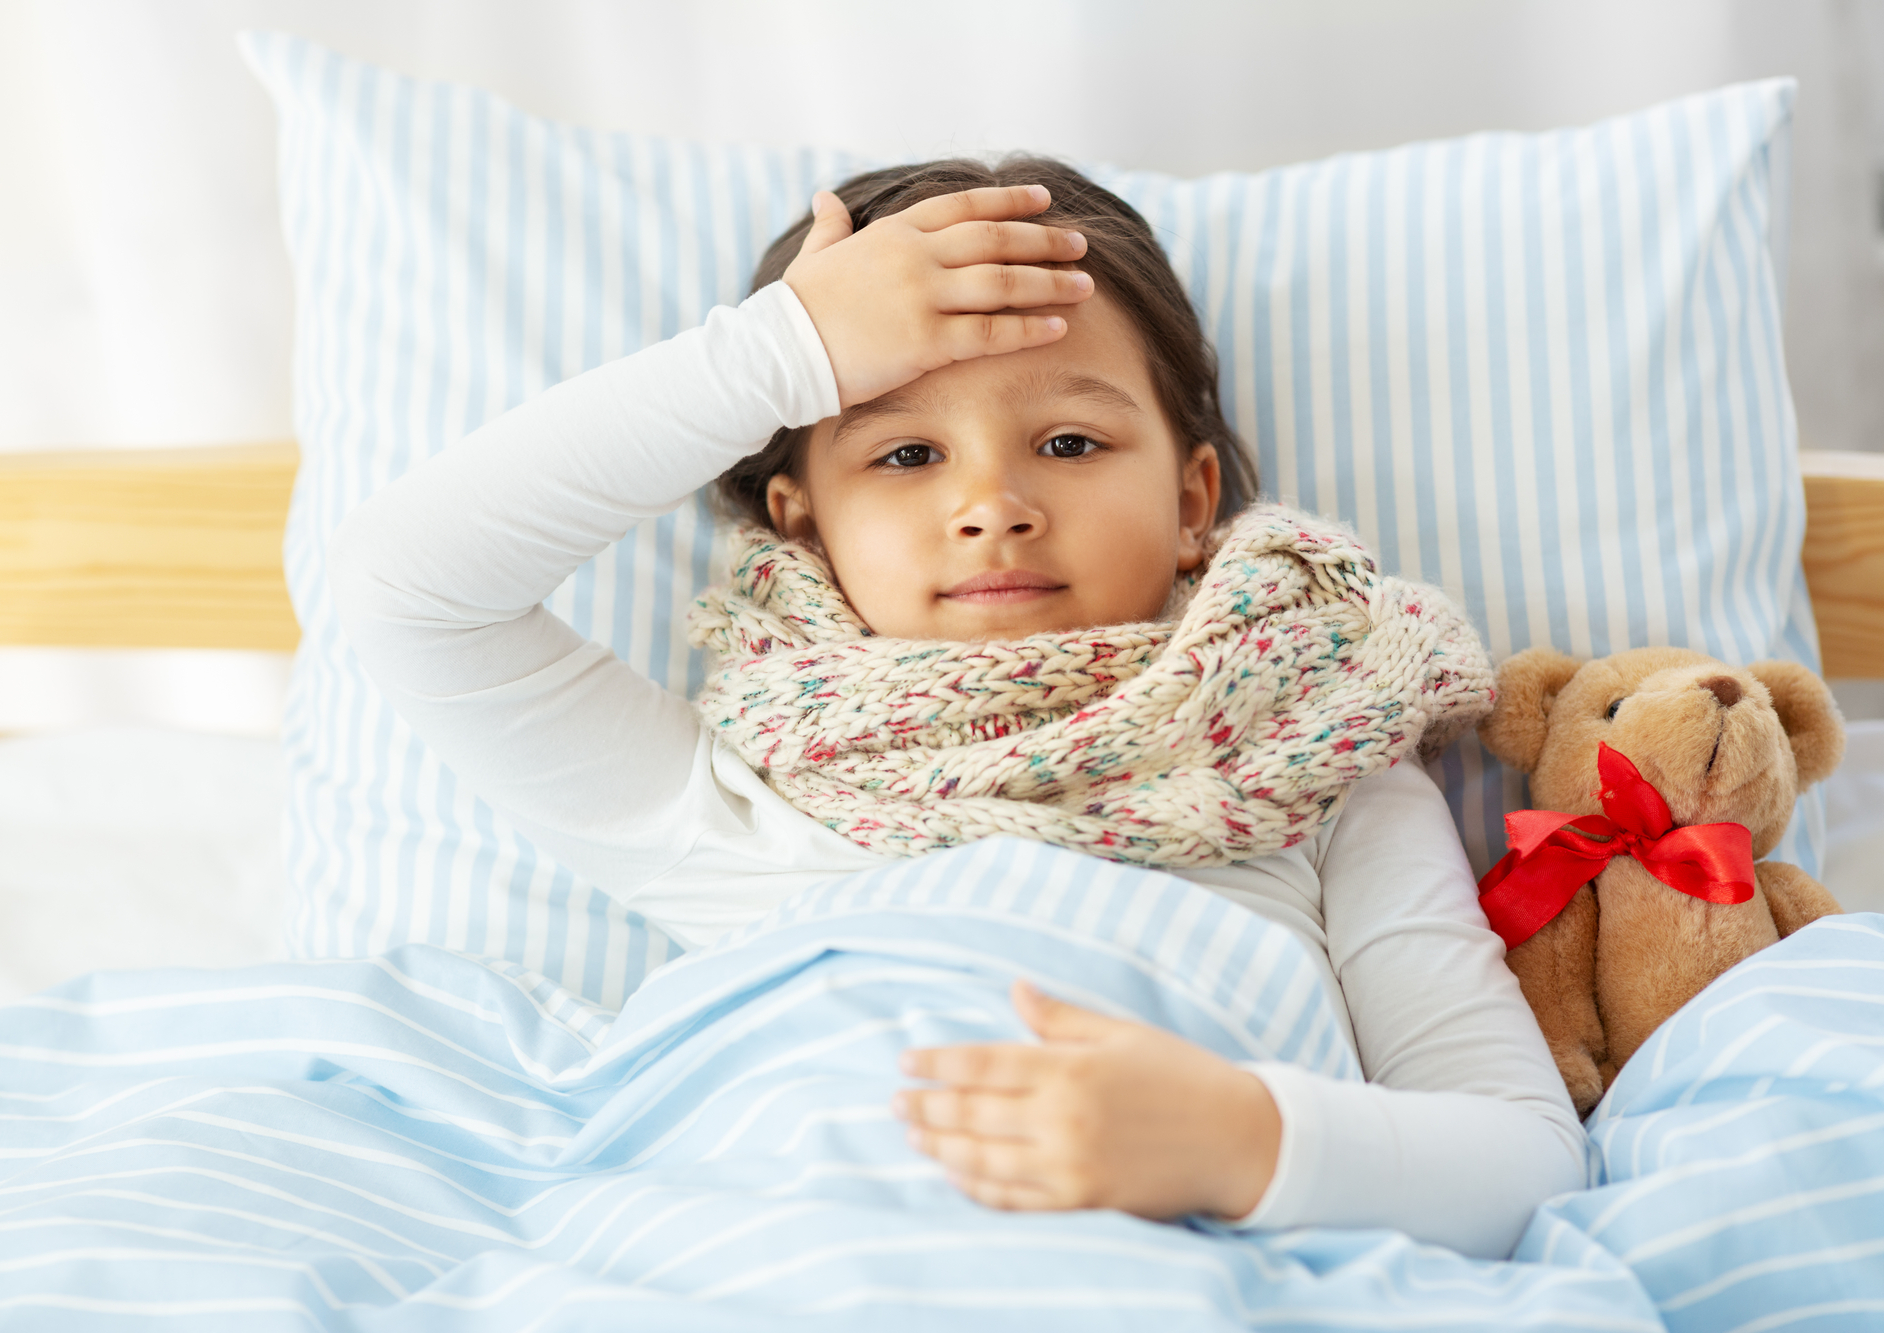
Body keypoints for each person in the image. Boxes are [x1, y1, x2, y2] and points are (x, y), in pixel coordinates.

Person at [329, 157, 1584, 1260]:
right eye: (905, 453)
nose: (991, 503)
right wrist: (782, 352)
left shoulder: (1320, 767)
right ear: (798, 514)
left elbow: (1521, 1155)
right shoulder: (731, 795)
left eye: (1072, 444)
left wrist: (1246, 1142)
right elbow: (407, 592)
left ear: (1195, 502)